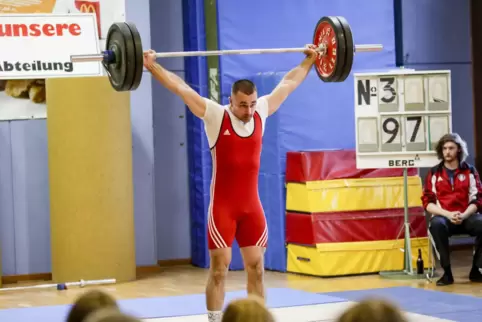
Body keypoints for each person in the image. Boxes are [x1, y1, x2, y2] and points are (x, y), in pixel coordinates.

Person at [143, 45, 318, 321]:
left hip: (251, 208)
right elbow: (181, 89)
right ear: (231, 101)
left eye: (251, 104)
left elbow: (289, 82)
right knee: (218, 270)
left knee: (257, 269)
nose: (248, 110)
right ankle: (214, 319)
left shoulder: (261, 110)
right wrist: (152, 66)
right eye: (242, 105)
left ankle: (257, 318)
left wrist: (311, 59)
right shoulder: (215, 114)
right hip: (222, 209)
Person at [421, 133, 482, 286]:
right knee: (436, 225)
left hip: (466, 215)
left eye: (451, 148)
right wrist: (448, 214)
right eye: (444, 148)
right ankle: (447, 273)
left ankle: (476, 269)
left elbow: (478, 198)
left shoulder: (470, 171)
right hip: (444, 216)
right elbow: (428, 203)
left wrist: (464, 214)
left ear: (459, 150)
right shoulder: (434, 173)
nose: (447, 152)